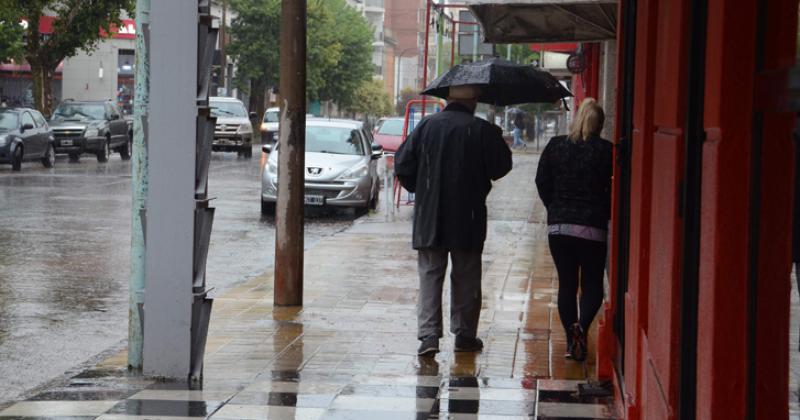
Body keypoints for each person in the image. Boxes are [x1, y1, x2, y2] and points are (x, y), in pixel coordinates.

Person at [395, 84, 513, 357]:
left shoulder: (427, 126)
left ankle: (428, 337)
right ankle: (464, 334)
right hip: (468, 216)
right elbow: (501, 168)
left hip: (430, 216)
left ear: (447, 99)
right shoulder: (481, 129)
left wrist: (422, 190)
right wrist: (495, 137)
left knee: (430, 274)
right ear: (474, 101)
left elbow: (403, 164)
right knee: (467, 276)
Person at [535, 98, 612, 362]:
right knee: (592, 284)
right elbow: (616, 187)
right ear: (600, 125)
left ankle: (571, 341)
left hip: (560, 228)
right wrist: (605, 210)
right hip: (593, 228)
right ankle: (583, 326)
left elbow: (541, 180)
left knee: (567, 284)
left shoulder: (556, 146)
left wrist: (554, 207)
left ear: (577, 119)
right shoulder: (606, 151)